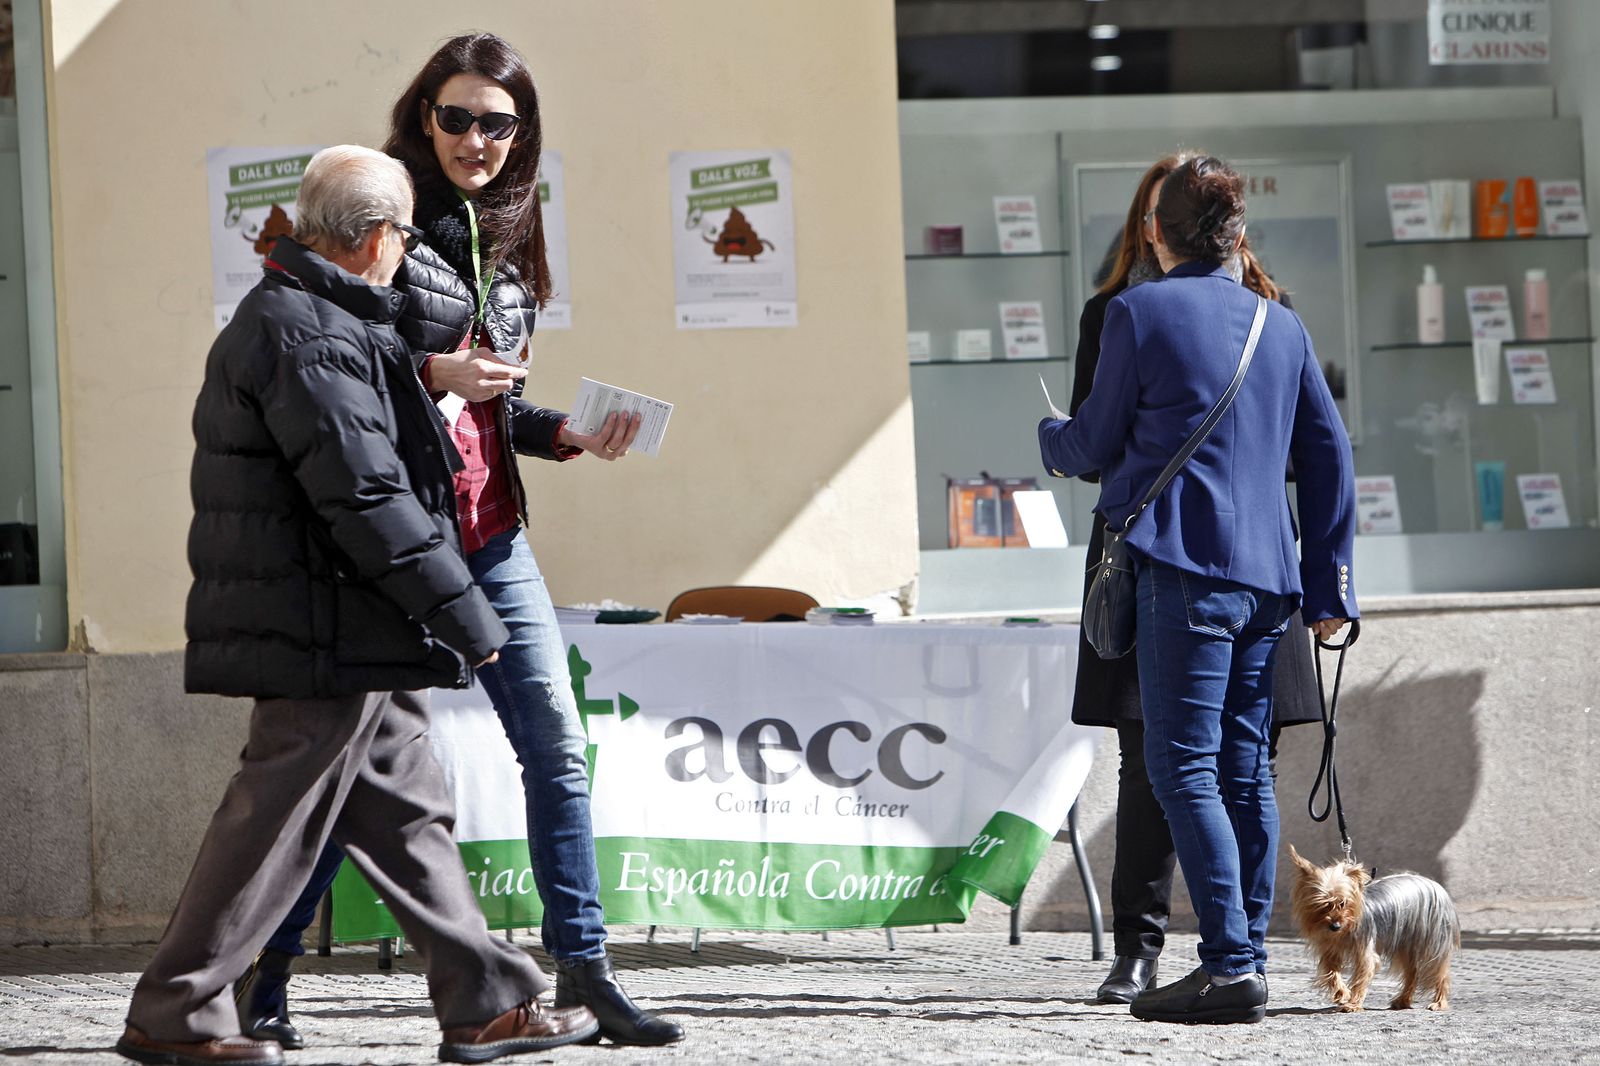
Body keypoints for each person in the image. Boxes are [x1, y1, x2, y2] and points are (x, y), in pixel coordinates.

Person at [236, 34, 683, 1050]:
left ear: (522, 134)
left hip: (492, 534)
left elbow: (490, 409)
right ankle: (266, 975)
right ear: (423, 119)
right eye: (457, 118)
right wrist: (433, 371)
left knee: (557, 749)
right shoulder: (385, 223)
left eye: (497, 123)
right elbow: (330, 363)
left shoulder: (514, 239)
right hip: (399, 542)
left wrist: (562, 432)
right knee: (355, 769)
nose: (476, 139)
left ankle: (586, 971)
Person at [116, 146, 598, 1066]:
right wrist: (468, 615)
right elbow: (367, 497)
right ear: (377, 236)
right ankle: (175, 1009)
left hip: (356, 625)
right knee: (268, 820)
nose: (406, 250)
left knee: (410, 818)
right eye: (407, 235)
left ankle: (487, 1002)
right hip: (324, 629)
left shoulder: (323, 318)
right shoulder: (308, 333)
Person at [1038, 155, 1357, 1025]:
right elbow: (1329, 455)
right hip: (1271, 582)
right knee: (1244, 769)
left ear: (1154, 232)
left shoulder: (1136, 313)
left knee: (1182, 767)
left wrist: (1050, 437)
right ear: (1236, 235)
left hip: (1183, 572)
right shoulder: (1279, 324)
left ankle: (1229, 968)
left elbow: (1093, 442)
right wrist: (1331, 584)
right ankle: (1246, 954)